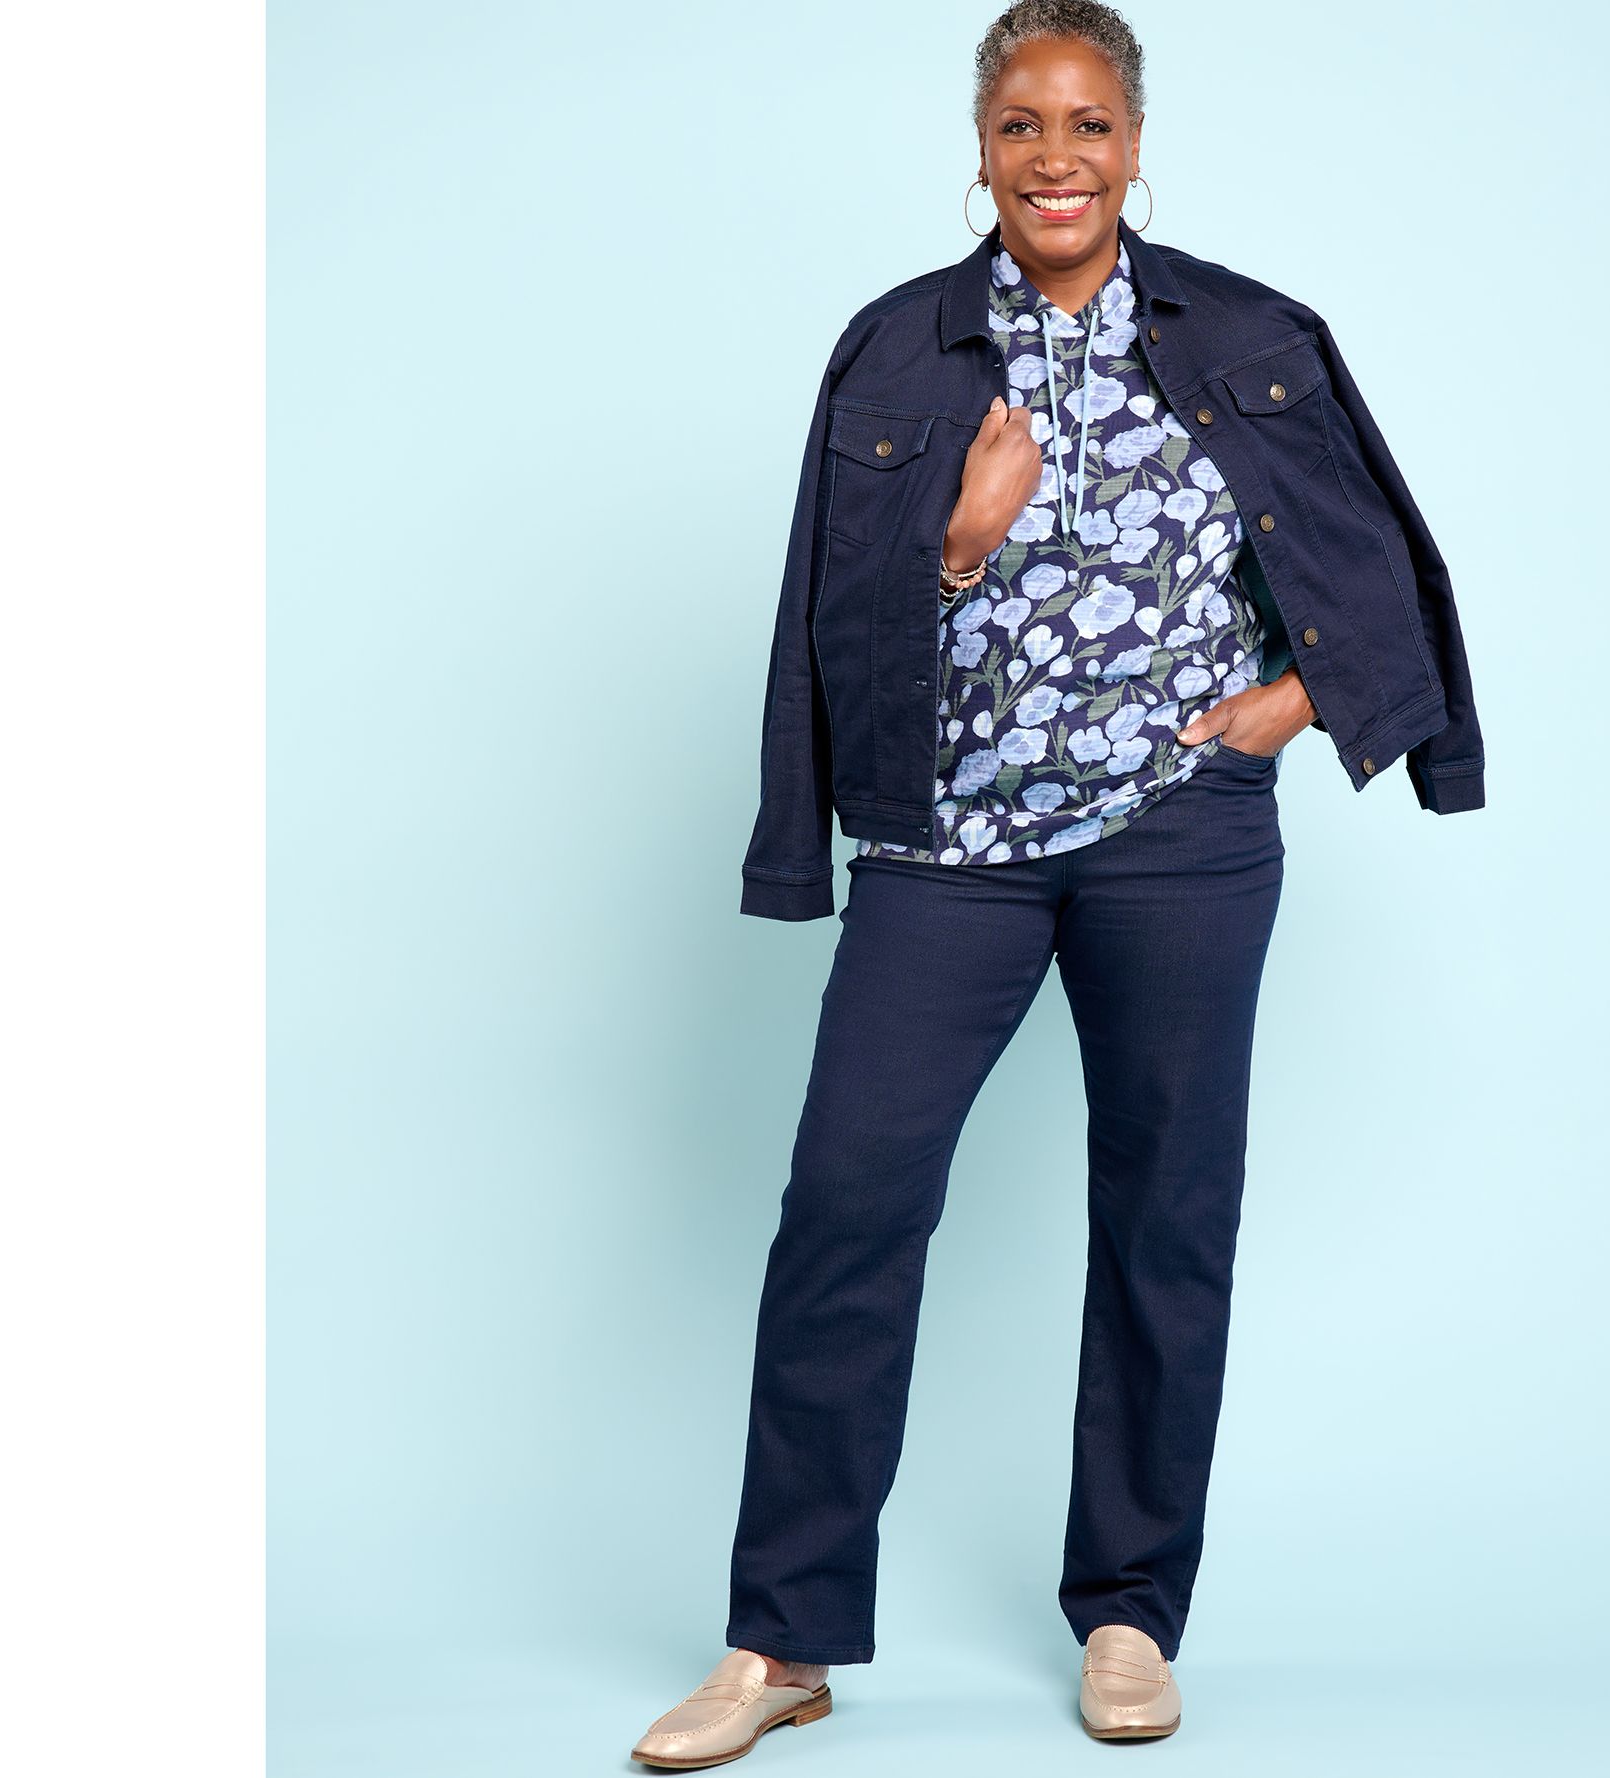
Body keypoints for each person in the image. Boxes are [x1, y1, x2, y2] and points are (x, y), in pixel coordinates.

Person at [633, 1, 1485, 1765]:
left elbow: (1375, 560)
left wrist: (1286, 706)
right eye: (1022, 124)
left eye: (1088, 123)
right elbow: (825, 625)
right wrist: (958, 539)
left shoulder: (1250, 335)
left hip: (1182, 834)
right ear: (981, 147)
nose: (1056, 157)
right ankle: (781, 1639)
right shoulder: (897, 350)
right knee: (846, 1208)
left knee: (1168, 1214)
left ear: (1137, 144)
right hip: (947, 847)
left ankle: (1129, 1611)